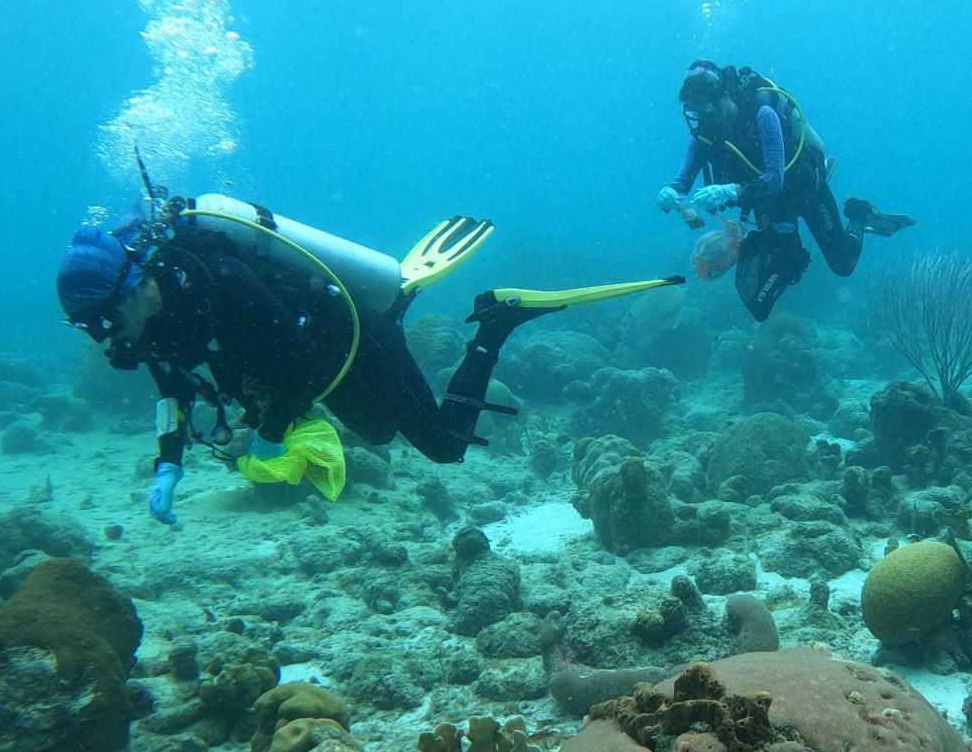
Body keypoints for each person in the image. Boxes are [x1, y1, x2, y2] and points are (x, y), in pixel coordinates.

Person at [57, 193, 678, 524]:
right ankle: (406, 310)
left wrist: (270, 429)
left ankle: (498, 321)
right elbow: (170, 389)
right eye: (90, 327)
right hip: (322, 367)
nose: (104, 337)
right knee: (380, 432)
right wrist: (169, 463)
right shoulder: (153, 324)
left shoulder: (218, 279)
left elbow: (296, 356)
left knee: (443, 445)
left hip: (349, 336)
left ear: (132, 285)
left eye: (102, 319)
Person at [656, 61, 914, 321]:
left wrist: (730, 191)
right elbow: (682, 182)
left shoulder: (762, 115)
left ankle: (859, 216)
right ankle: (782, 252)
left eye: (706, 110)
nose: (702, 119)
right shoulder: (702, 136)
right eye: (694, 112)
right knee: (759, 303)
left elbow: (775, 178)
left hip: (803, 190)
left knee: (842, 264)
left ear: (723, 98)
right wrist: (669, 195)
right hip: (769, 207)